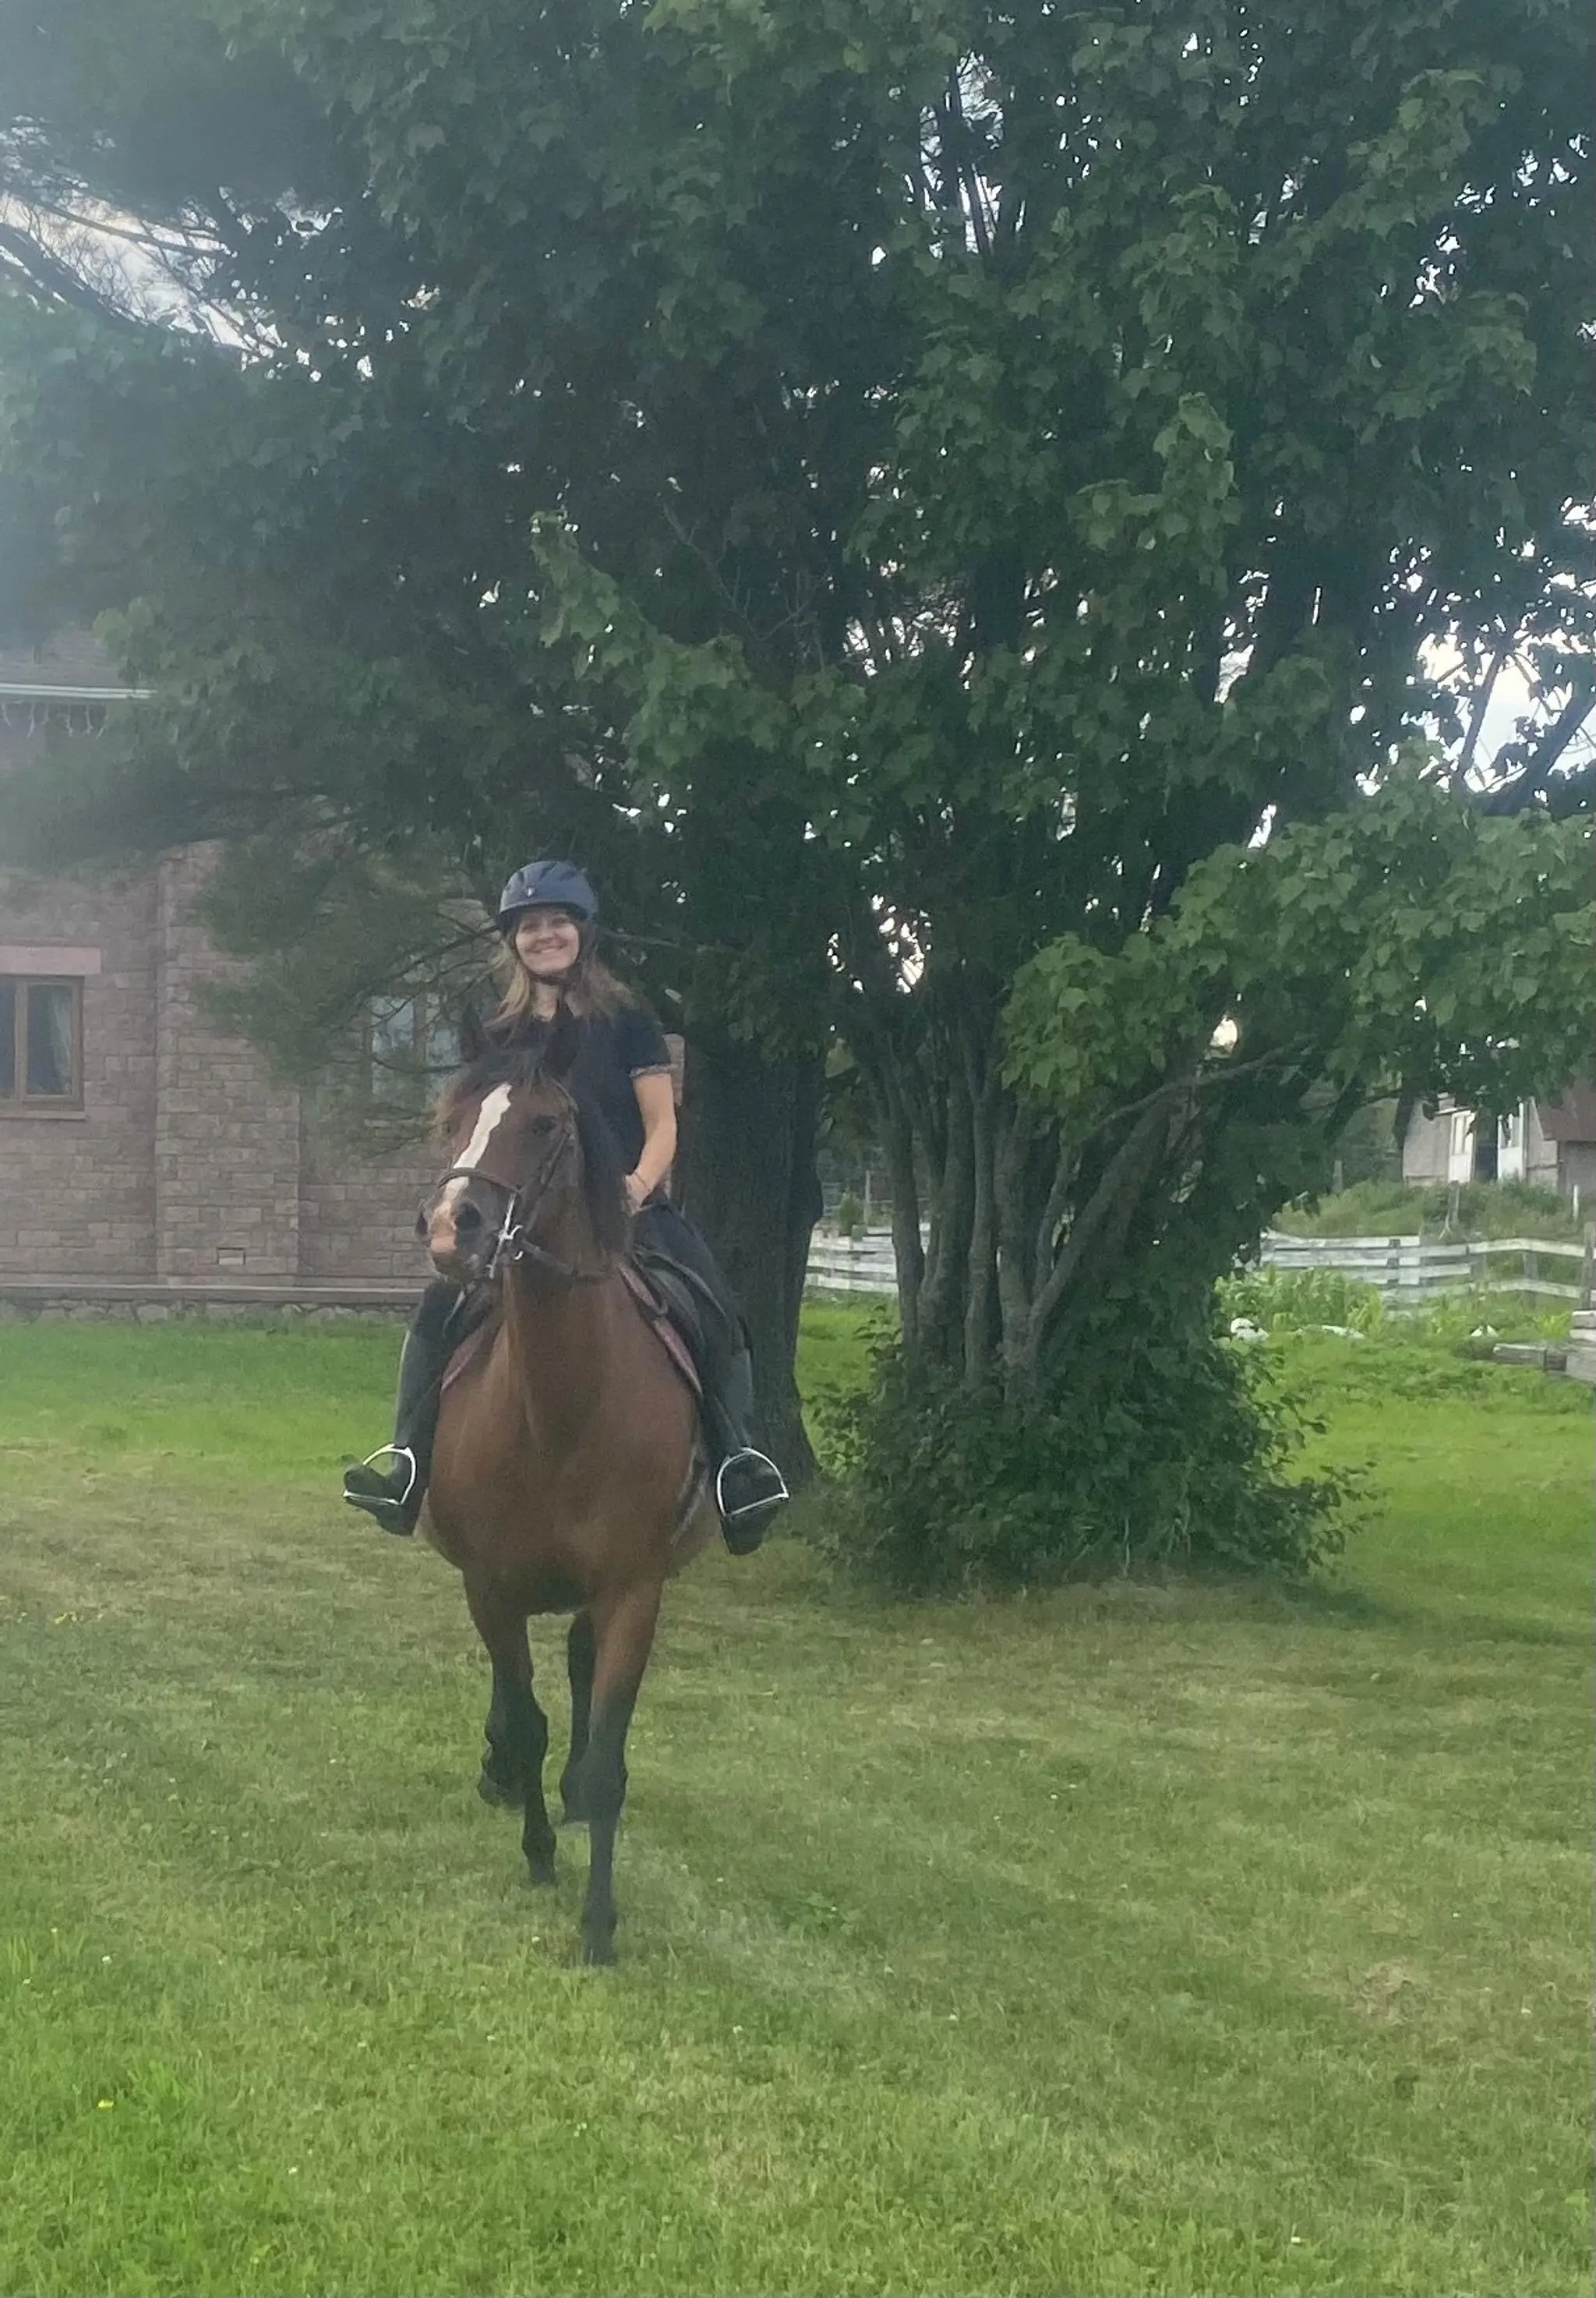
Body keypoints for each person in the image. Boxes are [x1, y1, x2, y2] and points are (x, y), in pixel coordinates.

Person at [342, 859, 789, 1552]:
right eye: (529, 926)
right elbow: (480, 1126)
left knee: (717, 1310)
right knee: (437, 1311)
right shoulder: (502, 1027)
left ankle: (738, 1468)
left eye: (557, 923)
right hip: (525, 1218)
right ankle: (405, 1463)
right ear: (513, 941)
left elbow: (663, 1123)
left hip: (628, 1211)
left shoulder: (628, 1020)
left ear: (583, 933)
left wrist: (638, 1186)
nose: (544, 936)